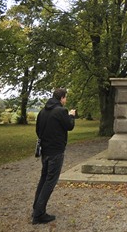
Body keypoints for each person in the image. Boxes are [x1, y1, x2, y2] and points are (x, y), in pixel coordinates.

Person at [32, 88, 76, 224]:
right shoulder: (61, 111)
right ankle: (39, 214)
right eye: (65, 98)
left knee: (44, 178)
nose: (66, 100)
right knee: (50, 181)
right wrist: (72, 115)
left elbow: (38, 130)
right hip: (56, 151)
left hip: (45, 151)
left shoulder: (42, 112)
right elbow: (69, 126)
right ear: (62, 98)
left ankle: (36, 208)